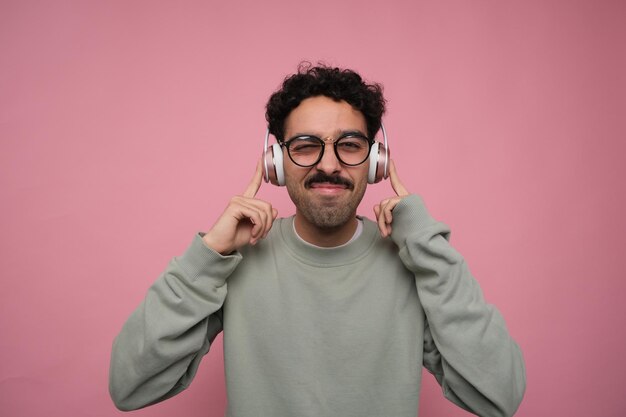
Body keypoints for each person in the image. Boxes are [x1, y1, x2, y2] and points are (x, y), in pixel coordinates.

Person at [109, 63, 526, 417]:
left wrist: (428, 246)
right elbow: (130, 385)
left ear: (376, 161)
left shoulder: (414, 261)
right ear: (275, 160)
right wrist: (208, 256)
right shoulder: (235, 261)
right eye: (306, 146)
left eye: (349, 144)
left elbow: (500, 395)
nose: (329, 164)